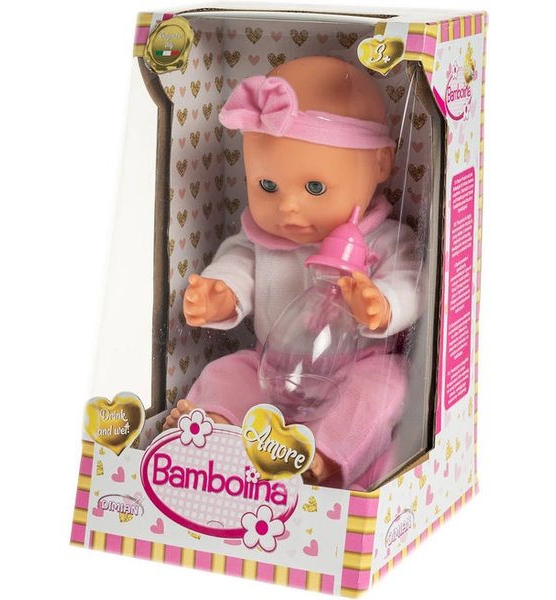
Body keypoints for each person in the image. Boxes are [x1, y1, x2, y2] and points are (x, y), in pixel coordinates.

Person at [165, 56, 422, 490]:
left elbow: (412, 282)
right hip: (271, 365)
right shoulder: (262, 239)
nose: (287, 207)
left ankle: (320, 458)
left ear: (381, 164)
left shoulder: (385, 240)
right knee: (226, 373)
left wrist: (380, 304)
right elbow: (238, 265)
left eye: (315, 187)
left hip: (356, 367)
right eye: (267, 186)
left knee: (387, 387)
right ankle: (213, 433)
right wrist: (221, 294)